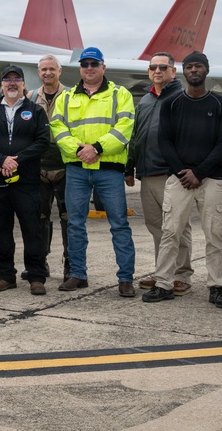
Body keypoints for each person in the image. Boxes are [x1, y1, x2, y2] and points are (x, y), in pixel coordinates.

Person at [142, 51, 222, 309]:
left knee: (214, 235)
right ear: (184, 71)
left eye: (199, 66)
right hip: (179, 179)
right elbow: (165, 141)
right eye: (190, 66)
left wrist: (200, 172)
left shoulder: (220, 104)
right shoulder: (172, 103)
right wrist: (183, 171)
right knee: (171, 232)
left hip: (211, 179)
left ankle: (217, 286)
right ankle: (164, 283)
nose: (194, 70)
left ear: (206, 70)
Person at [49, 46, 136, 296]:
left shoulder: (121, 94)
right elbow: (58, 128)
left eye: (94, 64)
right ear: (80, 68)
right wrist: (80, 152)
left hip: (108, 170)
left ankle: (126, 278)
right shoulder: (66, 98)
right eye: (85, 64)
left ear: (103, 67)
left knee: (119, 224)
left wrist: (97, 148)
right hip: (77, 169)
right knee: (75, 223)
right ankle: (78, 274)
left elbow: (124, 127)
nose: (89, 68)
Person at [0, 66, 51, 294]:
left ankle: (36, 277)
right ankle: (6, 275)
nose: (12, 83)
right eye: (7, 80)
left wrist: (16, 160)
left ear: (23, 84)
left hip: (27, 181)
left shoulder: (35, 110)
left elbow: (42, 141)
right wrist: (2, 160)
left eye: (16, 79)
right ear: (1, 84)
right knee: (2, 231)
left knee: (32, 229)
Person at [125, 52, 194, 296]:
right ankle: (162, 271)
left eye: (163, 67)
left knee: (178, 226)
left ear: (173, 72)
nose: (157, 71)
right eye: (153, 67)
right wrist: (130, 165)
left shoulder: (182, 98)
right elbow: (136, 135)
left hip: (172, 173)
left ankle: (181, 274)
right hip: (147, 172)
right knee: (156, 226)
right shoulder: (145, 100)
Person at [29, 55, 71, 280]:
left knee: (68, 217)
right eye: (43, 69)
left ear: (59, 71)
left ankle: (70, 264)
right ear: (38, 72)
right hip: (39, 166)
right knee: (40, 217)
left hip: (65, 164)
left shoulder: (72, 96)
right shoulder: (31, 97)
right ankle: (40, 263)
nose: (47, 73)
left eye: (51, 69)